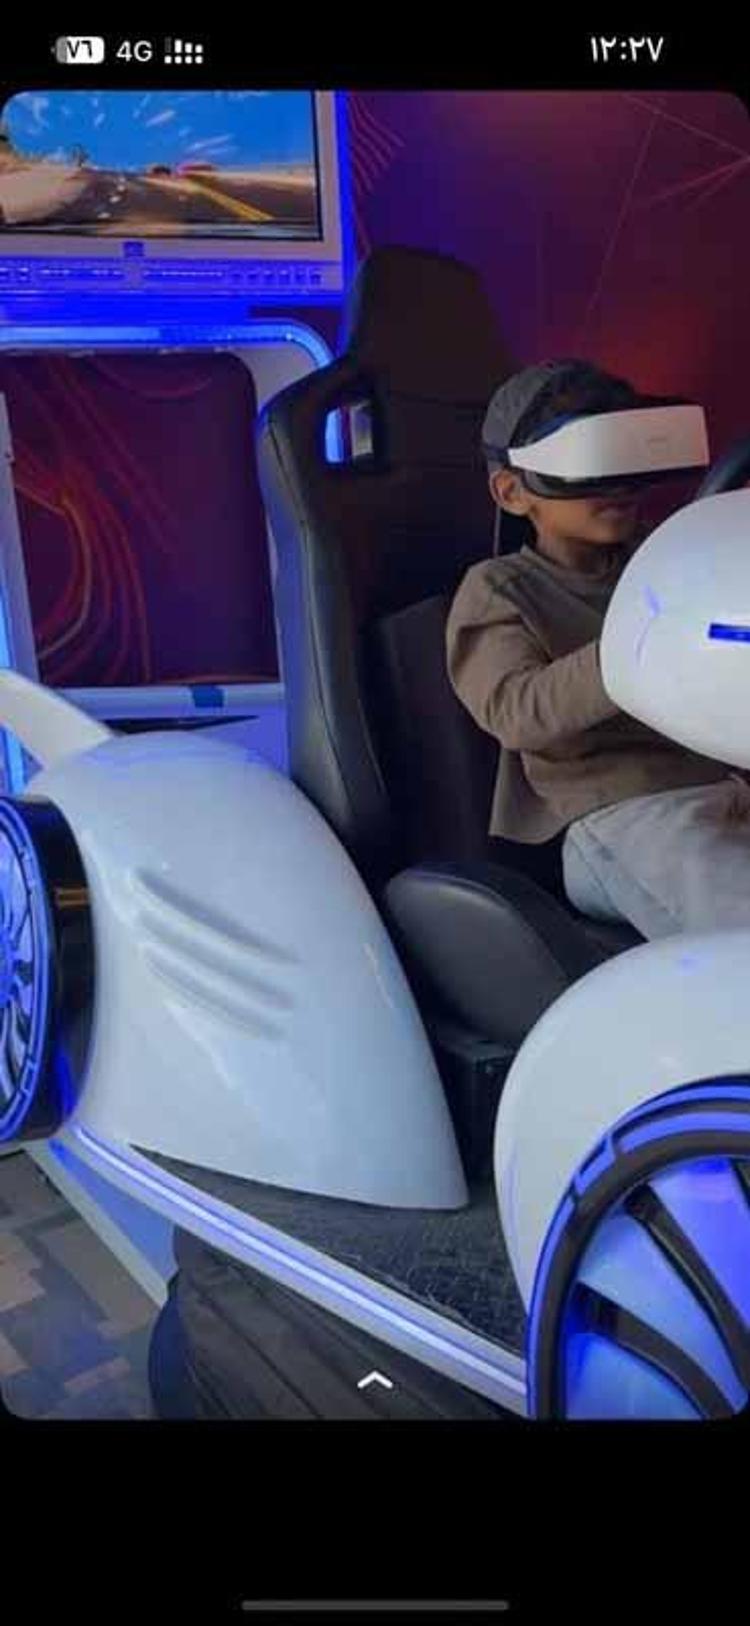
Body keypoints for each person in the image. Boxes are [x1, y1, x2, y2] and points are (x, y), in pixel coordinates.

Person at [446, 357, 750, 940]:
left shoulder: (666, 552)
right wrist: (637, 640)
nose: (616, 486)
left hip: (725, 790)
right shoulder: (498, 589)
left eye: (625, 461)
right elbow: (515, 711)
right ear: (513, 491)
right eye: (592, 466)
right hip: (620, 821)